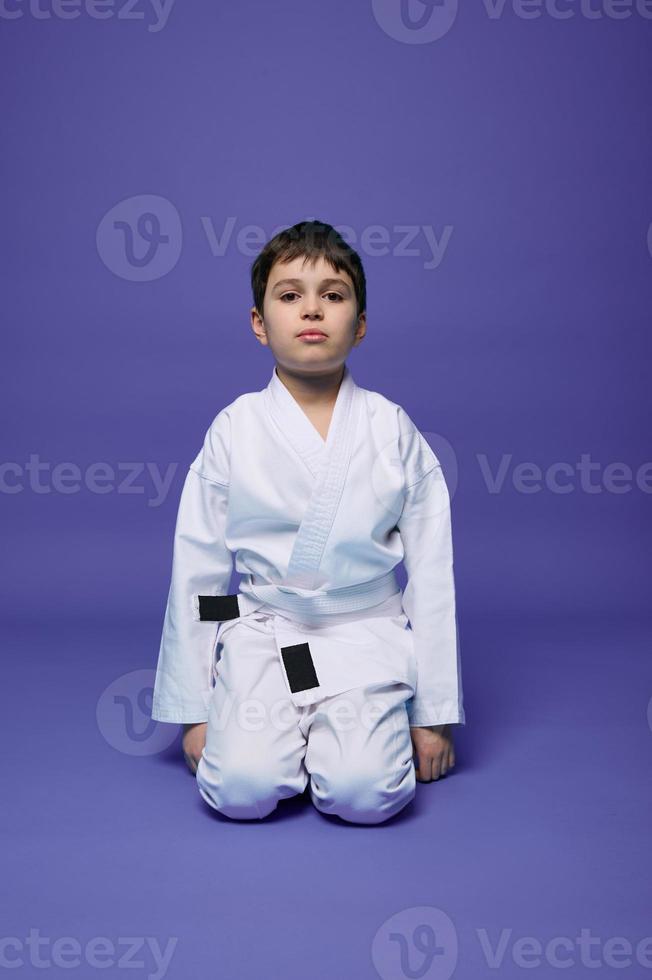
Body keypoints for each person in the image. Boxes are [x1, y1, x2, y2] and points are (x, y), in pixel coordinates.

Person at [150, 219, 465, 824]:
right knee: (239, 789)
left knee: (364, 795)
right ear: (259, 324)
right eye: (290, 295)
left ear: (361, 324)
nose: (312, 309)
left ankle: (359, 725)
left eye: (334, 294)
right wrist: (195, 711)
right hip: (269, 631)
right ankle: (284, 728)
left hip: (364, 632)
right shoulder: (235, 428)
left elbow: (431, 578)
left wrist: (435, 715)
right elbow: (201, 579)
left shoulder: (390, 428)